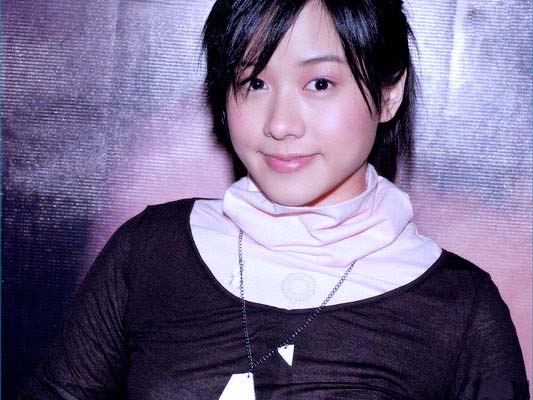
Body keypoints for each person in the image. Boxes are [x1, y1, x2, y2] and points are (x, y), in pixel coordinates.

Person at [20, 0, 529, 399]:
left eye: (320, 83)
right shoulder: (149, 250)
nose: (280, 124)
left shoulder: (463, 307)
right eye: (255, 81)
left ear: (388, 93)